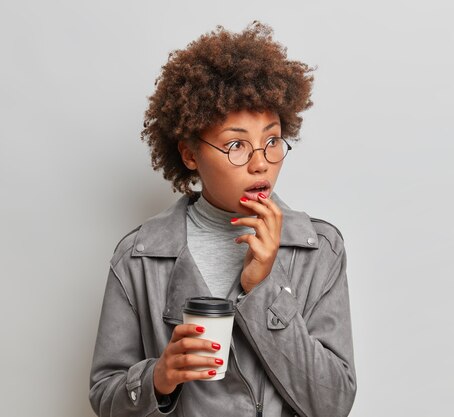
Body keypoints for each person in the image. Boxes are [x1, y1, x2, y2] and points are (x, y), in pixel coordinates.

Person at [89, 22, 357, 417]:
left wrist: (263, 286)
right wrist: (159, 378)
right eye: (236, 145)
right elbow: (104, 396)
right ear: (190, 154)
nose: (260, 163)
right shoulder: (138, 256)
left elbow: (333, 403)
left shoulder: (319, 250)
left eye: (271, 141)